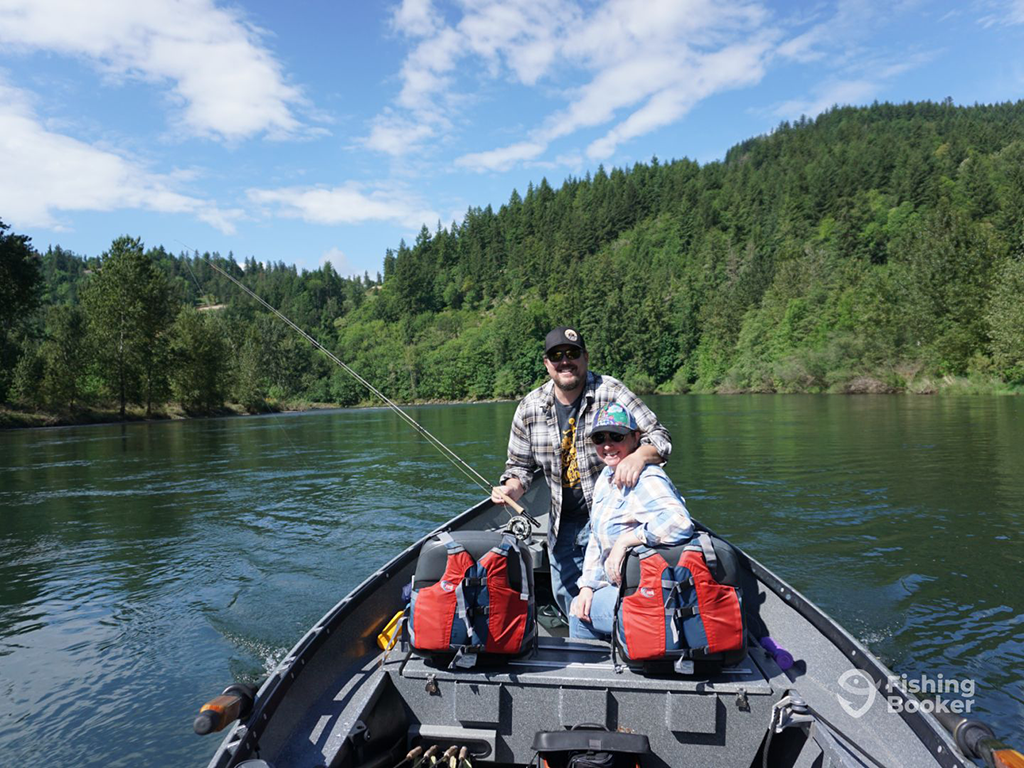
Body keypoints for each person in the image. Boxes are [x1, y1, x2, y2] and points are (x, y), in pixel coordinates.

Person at [490, 326, 672, 618]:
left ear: (585, 357)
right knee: (569, 602)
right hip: (562, 522)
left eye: (572, 354)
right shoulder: (529, 408)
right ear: (547, 363)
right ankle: (580, 650)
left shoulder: (610, 391)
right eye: (556, 356)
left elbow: (660, 438)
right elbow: (520, 468)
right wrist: (511, 488)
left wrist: (638, 457)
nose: (565, 361)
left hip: (616, 518)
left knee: (619, 596)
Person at [569, 403, 694, 640]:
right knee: (581, 601)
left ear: (635, 438)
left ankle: (591, 674)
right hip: (619, 586)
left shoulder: (646, 477)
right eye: (599, 438)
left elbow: (680, 522)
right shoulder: (606, 477)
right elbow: (597, 539)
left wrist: (627, 540)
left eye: (616, 436)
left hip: (647, 592)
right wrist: (588, 586)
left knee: (577, 614)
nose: (607, 445)